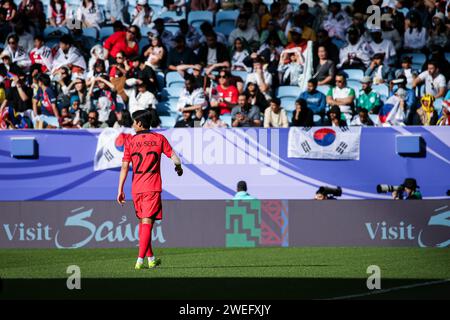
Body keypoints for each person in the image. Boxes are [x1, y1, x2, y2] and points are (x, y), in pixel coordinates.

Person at [117, 109, 183, 270]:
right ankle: (140, 261)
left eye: (134, 122)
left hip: (136, 188)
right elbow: (175, 157)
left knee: (142, 223)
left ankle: (151, 259)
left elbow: (125, 167)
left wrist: (120, 189)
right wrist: (179, 167)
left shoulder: (131, 142)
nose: (133, 125)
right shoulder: (159, 138)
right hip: (152, 187)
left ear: (140, 123)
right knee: (147, 223)